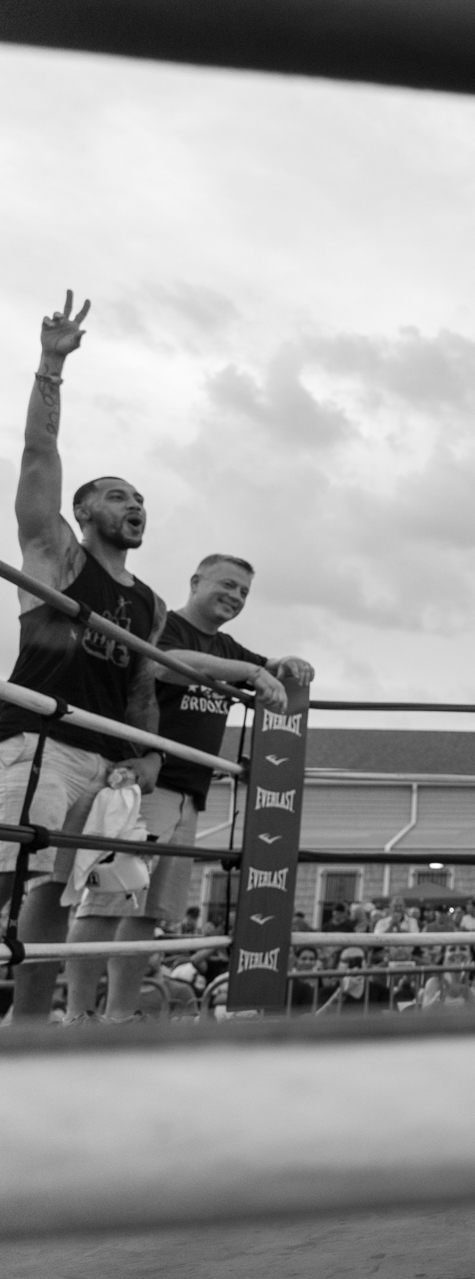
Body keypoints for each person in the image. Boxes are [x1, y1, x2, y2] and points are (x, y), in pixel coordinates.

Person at [0, 293, 169, 1023]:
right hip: (40, 738)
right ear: (84, 508)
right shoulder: (57, 556)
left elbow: (143, 687)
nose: (133, 504)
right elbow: (39, 456)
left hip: (105, 764)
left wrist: (148, 757)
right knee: (16, 881)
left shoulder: (151, 603)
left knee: (68, 895)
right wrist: (50, 365)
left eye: (139, 498)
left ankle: (34, 1025)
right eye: (117, 494)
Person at [65, 552, 311, 1022]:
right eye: (228, 584)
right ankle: (77, 1017)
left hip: (189, 795)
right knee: (106, 903)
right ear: (196, 581)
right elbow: (165, 664)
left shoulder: (229, 650)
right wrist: (252, 672)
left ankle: (118, 1019)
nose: (236, 596)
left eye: (244, 591)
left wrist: (288, 664)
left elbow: (268, 666)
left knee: (145, 916)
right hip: (141, 788)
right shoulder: (166, 625)